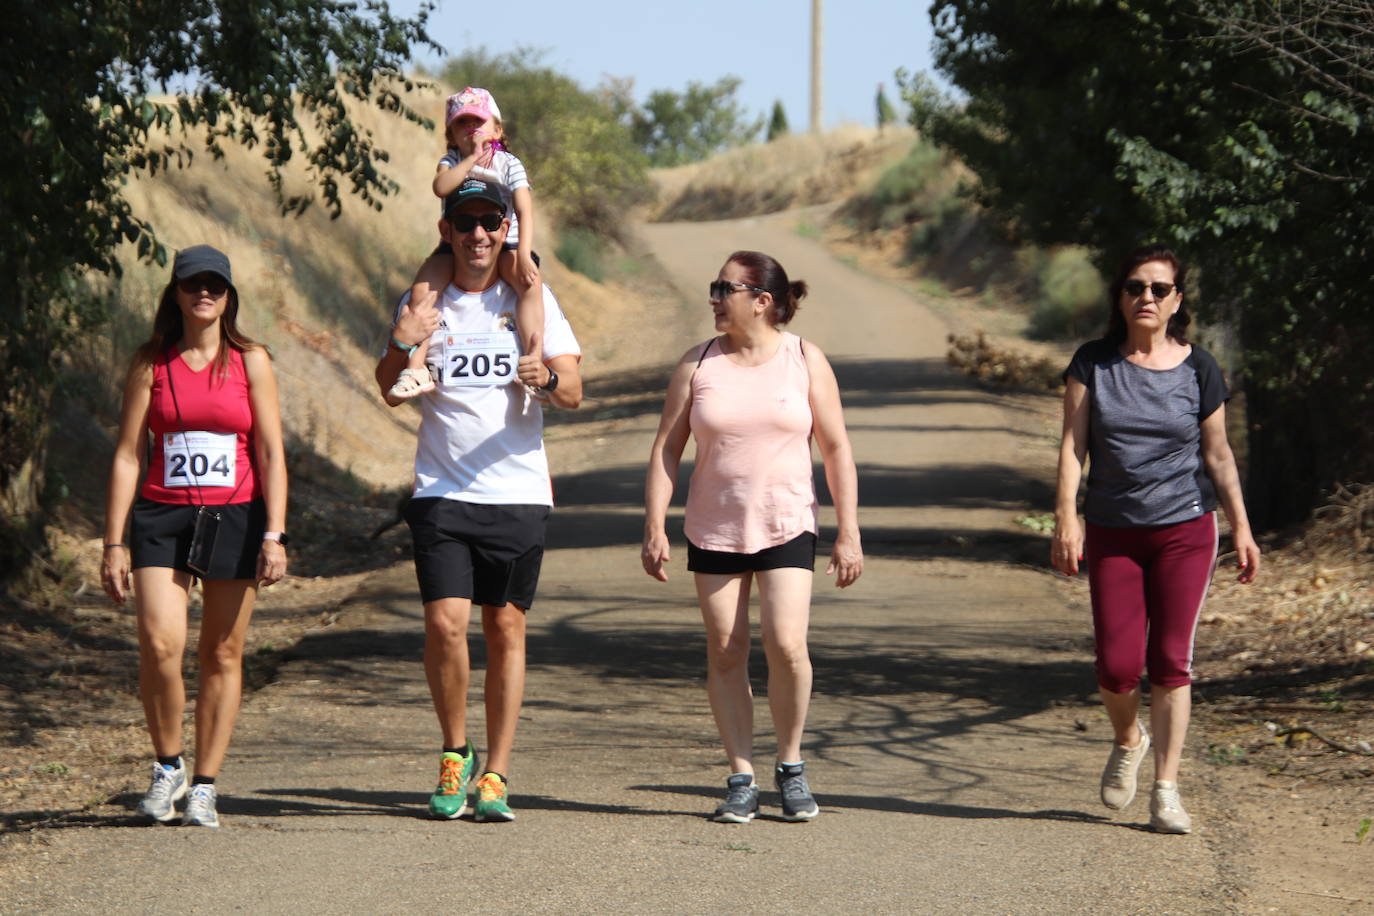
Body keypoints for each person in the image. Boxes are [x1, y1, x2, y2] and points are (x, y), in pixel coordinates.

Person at [376, 176, 582, 821]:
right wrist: (406, 339)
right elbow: (389, 386)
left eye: (490, 222)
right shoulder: (425, 301)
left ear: (505, 230)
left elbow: (573, 390)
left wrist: (544, 376)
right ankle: (453, 751)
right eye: (465, 223)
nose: (478, 235)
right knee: (444, 622)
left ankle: (496, 772)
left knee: (505, 625)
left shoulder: (531, 299)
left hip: (516, 490)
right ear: (447, 232)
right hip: (442, 488)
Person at [642, 250, 863, 823]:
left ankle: (790, 766)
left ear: (762, 300)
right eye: (714, 287)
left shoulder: (805, 359)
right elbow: (668, 447)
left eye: (725, 288)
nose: (714, 298)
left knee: (787, 645)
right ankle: (741, 774)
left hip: (788, 520)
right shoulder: (698, 365)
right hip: (715, 525)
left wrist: (849, 532)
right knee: (726, 650)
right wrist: (654, 523)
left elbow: (836, 448)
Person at [1051, 244, 1260, 834]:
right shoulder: (1093, 362)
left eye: (1159, 289)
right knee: (1117, 667)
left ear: (1177, 301)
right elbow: (1073, 445)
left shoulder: (1200, 369)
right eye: (1135, 287)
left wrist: (1240, 527)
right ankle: (1128, 737)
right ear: (1120, 297)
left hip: (1185, 530)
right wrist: (1066, 515)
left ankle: (1166, 789)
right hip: (1114, 529)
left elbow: (1218, 455)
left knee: (1171, 662)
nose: (1146, 297)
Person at [101, 244, 288, 828]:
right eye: (192, 283)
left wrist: (275, 533)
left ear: (229, 295)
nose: (203, 292)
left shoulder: (251, 360)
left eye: (215, 284)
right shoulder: (149, 363)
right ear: (175, 293)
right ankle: (167, 768)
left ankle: (204, 784)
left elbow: (270, 453)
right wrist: (114, 542)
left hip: (236, 516)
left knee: (222, 652)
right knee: (160, 644)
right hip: (162, 516)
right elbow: (129, 455)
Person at [386, 86, 543, 404]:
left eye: (479, 121)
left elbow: (525, 209)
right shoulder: (452, 160)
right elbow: (441, 187)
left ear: (497, 130)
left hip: (506, 241)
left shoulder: (508, 163)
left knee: (530, 287)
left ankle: (533, 359)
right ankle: (417, 366)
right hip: (456, 243)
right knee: (422, 292)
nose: (471, 129)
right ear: (451, 134)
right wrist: (471, 157)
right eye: (462, 123)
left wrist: (524, 254)